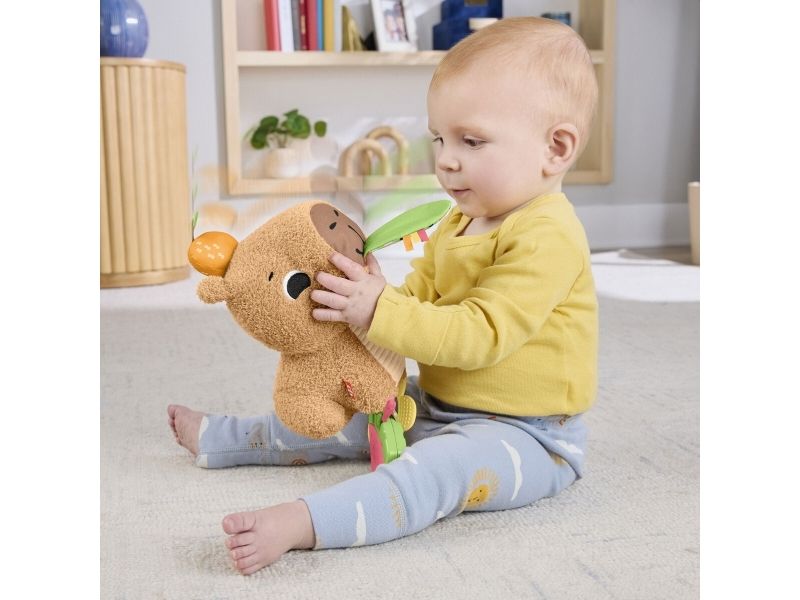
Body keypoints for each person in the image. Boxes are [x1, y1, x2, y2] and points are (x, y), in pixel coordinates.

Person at [168, 16, 599, 576]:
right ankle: (224, 438)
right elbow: (418, 300)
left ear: (555, 148)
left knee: (434, 474)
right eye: (439, 138)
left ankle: (306, 522)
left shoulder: (548, 235)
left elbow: (481, 335)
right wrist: (365, 300)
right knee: (342, 406)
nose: (446, 159)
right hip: (440, 404)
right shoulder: (461, 219)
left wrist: (380, 310)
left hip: (529, 435)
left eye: (471, 141)